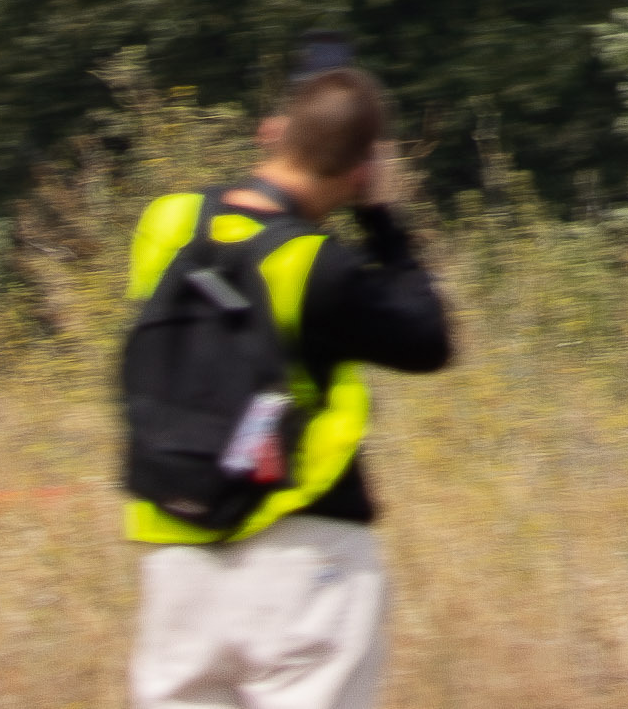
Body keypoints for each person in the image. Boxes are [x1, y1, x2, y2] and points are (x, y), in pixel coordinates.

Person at [120, 63, 456, 709]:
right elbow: (427, 341)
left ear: (272, 133)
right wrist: (383, 218)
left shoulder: (167, 223)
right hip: (301, 550)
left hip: (175, 549)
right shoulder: (316, 264)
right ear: (361, 168)